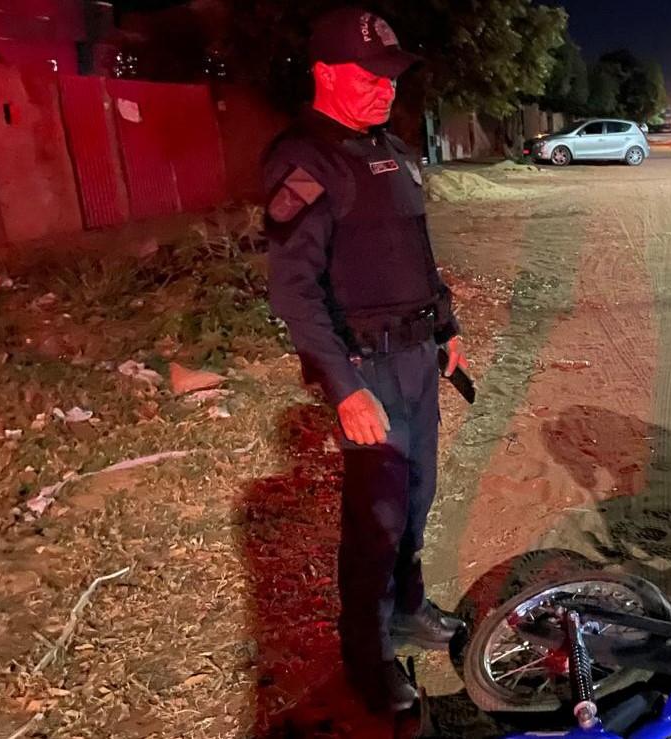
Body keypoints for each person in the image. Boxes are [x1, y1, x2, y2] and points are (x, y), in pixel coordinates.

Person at [263, 7, 468, 714]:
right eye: (368, 75)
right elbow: (292, 291)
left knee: (418, 500)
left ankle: (407, 609)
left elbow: (419, 254)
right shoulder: (306, 160)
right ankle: (367, 656)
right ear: (324, 73)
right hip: (368, 372)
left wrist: (447, 327)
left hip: (417, 357)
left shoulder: (399, 152)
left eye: (390, 76)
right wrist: (344, 386)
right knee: (375, 521)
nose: (384, 88)